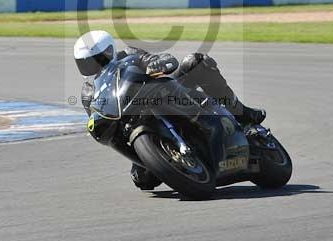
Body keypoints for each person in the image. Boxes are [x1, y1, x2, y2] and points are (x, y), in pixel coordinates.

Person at [73, 30, 266, 190]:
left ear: (110, 51)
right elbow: (101, 121)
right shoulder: (89, 92)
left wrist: (158, 62)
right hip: (135, 124)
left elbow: (151, 59)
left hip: (163, 93)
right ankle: (156, 157)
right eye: (86, 63)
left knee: (196, 62)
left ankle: (242, 114)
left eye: (97, 59)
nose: (92, 66)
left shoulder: (129, 54)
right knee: (144, 181)